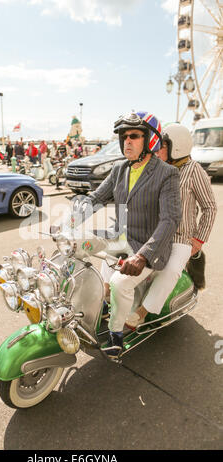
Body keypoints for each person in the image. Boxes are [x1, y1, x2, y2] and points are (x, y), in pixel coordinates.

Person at [77, 111, 182, 359]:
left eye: (134, 136)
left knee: (119, 283)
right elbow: (95, 199)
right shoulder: (118, 169)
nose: (127, 141)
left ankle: (116, 336)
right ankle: (88, 305)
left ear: (151, 140)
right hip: (121, 238)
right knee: (78, 247)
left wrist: (143, 257)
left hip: (149, 247)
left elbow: (170, 220)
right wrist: (69, 219)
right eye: (124, 136)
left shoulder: (167, 173)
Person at [125, 123, 217, 329]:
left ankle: (142, 312)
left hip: (181, 237)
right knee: (121, 256)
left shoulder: (194, 171)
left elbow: (210, 208)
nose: (157, 149)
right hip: (155, 232)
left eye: (162, 145)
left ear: (177, 146)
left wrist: (199, 240)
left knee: (171, 270)